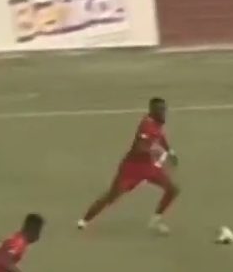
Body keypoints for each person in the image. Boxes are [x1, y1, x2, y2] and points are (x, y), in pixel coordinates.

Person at [77, 97, 180, 234]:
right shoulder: (146, 126)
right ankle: (85, 220)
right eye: (160, 110)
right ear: (152, 111)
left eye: (164, 109)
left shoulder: (157, 122)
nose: (164, 112)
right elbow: (139, 148)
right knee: (112, 195)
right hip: (132, 168)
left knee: (173, 189)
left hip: (149, 166)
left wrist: (170, 151)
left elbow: (160, 137)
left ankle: (155, 220)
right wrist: (158, 151)